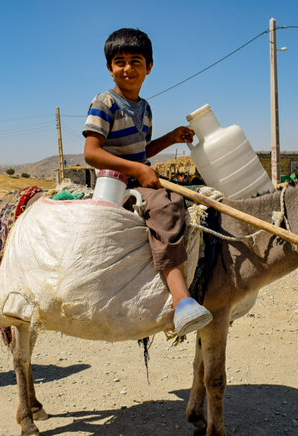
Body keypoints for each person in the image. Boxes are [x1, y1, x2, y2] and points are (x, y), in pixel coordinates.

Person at [83, 27, 212, 337]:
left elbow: (142, 151)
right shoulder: (105, 102)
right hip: (113, 181)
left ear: (149, 67)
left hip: (138, 175)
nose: (128, 69)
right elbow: (91, 152)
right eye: (120, 62)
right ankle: (181, 301)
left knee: (196, 201)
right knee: (166, 208)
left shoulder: (145, 108)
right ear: (109, 68)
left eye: (136, 61)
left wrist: (170, 138)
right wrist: (138, 171)